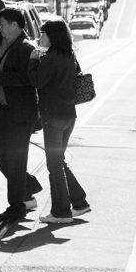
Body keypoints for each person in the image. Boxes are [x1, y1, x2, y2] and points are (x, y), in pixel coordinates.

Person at [0, 7, 41, 222]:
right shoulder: (1, 43)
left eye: (3, 24)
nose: (0, 28)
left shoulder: (26, 48)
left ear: (15, 25)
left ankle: (17, 206)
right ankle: (28, 185)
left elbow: (25, 80)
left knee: (16, 160)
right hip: (4, 110)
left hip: (21, 113)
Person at [27, 18, 91, 224]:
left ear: (52, 36)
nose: (39, 37)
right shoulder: (69, 54)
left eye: (43, 34)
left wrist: (33, 60)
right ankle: (79, 201)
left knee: (54, 163)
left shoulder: (50, 57)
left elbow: (37, 81)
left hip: (52, 115)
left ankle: (61, 211)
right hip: (69, 115)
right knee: (59, 160)